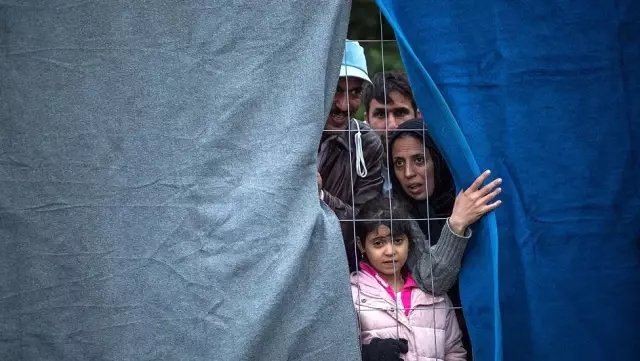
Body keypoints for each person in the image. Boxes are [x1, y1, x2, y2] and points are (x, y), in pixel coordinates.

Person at [388, 118, 503, 360]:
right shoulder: (398, 213)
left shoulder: (468, 194)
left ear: (438, 159)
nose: (408, 174)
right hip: (441, 342)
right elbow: (431, 281)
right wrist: (457, 223)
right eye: (399, 164)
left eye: (419, 160)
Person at [352, 196, 466, 361]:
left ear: (410, 242)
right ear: (361, 245)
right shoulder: (352, 295)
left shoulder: (433, 293)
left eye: (398, 240)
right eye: (378, 243)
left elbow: (454, 352)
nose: (390, 251)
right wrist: (366, 355)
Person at [317, 40, 385, 269]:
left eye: (355, 92)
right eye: (336, 89)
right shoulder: (288, 135)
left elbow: (365, 224)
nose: (344, 105)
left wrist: (322, 197)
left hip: (340, 267)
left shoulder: (367, 143)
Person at [361, 71, 419, 195]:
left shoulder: (439, 159)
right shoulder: (354, 161)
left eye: (400, 113)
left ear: (417, 116)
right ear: (367, 120)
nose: (392, 125)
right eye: (381, 114)